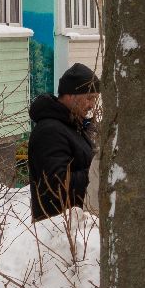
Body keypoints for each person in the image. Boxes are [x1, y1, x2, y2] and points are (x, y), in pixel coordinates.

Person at [27, 63, 99, 222]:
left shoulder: (75, 126)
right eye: (89, 98)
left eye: (94, 98)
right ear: (69, 95)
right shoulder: (50, 132)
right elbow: (56, 185)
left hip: (78, 226)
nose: (92, 105)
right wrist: (98, 171)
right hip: (58, 229)